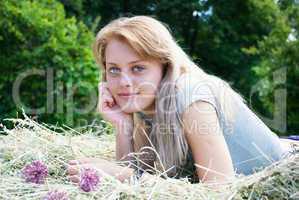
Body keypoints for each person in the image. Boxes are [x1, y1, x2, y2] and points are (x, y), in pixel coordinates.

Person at [67, 15, 294, 185]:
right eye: (114, 70)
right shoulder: (147, 103)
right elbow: (136, 174)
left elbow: (220, 190)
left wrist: (123, 176)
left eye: (138, 68)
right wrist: (122, 124)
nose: (123, 81)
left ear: (165, 66)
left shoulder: (191, 97)